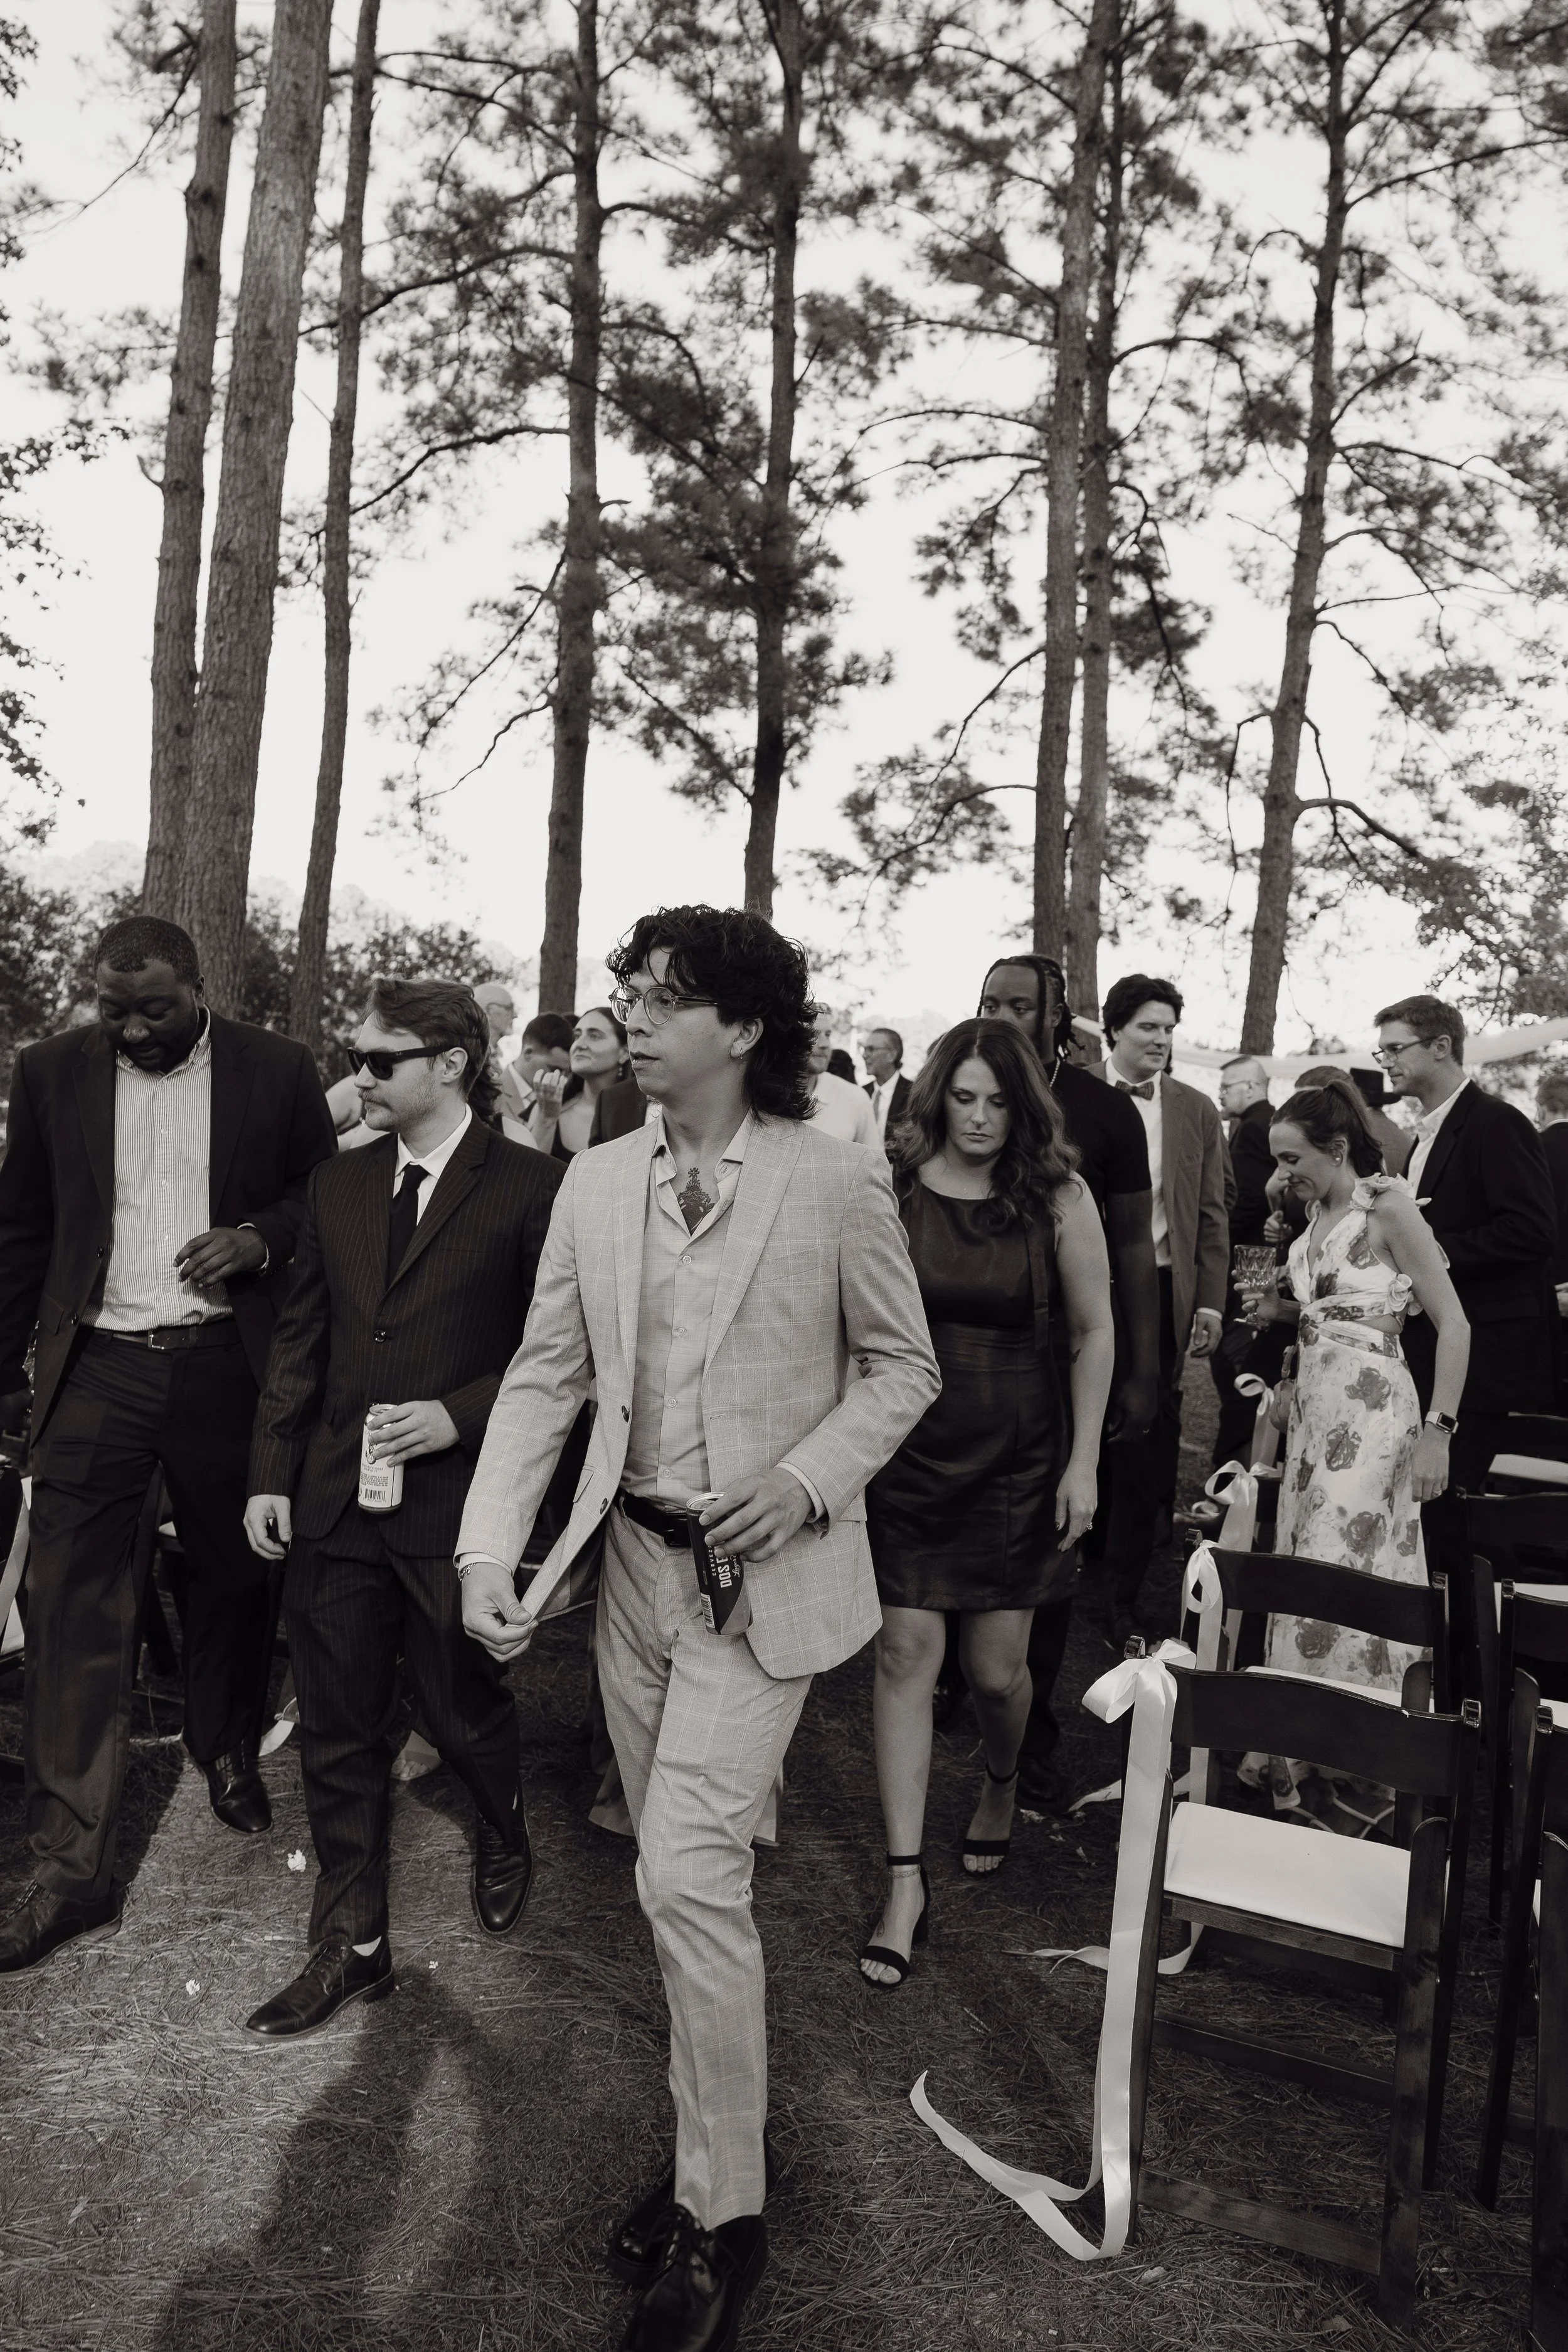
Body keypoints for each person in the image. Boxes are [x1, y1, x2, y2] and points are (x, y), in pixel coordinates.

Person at [455, 905, 938, 2352]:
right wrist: (494, 1544)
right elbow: (546, 1381)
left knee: (681, 1874)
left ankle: (725, 2223)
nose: (630, 1020)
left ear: (739, 1028)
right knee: (687, 1898)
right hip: (635, 1584)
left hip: (768, 1592)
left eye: (662, 1001)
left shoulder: (839, 1181)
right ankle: (705, 2158)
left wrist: (799, 1481)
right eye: (628, 997)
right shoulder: (594, 1184)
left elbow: (901, 1372)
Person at [0, 917, 336, 1976]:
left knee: (236, 1577)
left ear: (198, 985)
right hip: (96, 1368)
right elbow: (22, 1228)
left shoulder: (278, 1069)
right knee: (72, 1606)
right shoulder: (48, 1069)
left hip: (225, 1367)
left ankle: (226, 1746)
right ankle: (68, 1870)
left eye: (155, 1006)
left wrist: (259, 1237)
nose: (132, 1026)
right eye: (114, 1006)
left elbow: (320, 1202)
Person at [241, 980, 564, 2040]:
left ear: (453, 1063)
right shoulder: (336, 1184)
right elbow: (302, 1340)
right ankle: (352, 1943)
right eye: (357, 1055)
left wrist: (457, 1415)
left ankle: (503, 1819)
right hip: (335, 1500)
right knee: (336, 1734)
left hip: (457, 1510)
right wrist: (270, 1472)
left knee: (463, 1707)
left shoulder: (533, 1187)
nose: (360, 1075)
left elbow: (558, 1354)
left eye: (382, 1059)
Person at [859, 1021, 1113, 1987]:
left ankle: (1003, 1779)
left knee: (999, 1672)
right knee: (904, 1654)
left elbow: (1095, 1332)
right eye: (962, 1098)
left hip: (1019, 1453)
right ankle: (903, 1879)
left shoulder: (1058, 1194)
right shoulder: (893, 1182)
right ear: (935, 1097)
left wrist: (1082, 1463)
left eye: (996, 1100)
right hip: (909, 1450)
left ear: (1024, 1104)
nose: (977, 1118)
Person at [1237, 1083, 1469, 1829]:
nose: (1281, 1172)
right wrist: (1280, 1314)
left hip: (1374, 1417)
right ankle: (1300, 1756)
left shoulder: (1387, 1208)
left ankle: (1363, 1760)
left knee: (1349, 1569)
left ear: (1335, 1148)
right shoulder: (1311, 1217)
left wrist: (1439, 1427)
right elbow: (1333, 1308)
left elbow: (1454, 1324)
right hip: (1313, 1416)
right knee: (1306, 1565)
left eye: (1290, 1156)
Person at [974, 953, 1158, 1808]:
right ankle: (960, 1682)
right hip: (960, 1357)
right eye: (990, 1000)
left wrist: (1141, 1370)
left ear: (1060, 1017)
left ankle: (1032, 1725)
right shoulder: (954, 1085)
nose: (1005, 1015)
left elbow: (1129, 1253)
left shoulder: (1103, 1110)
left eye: (1022, 1004)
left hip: (1057, 1362)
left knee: (1044, 1543)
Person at [1373, 996, 1558, 1656]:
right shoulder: (1423, 1134)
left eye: (1394, 1047)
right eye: (1383, 1050)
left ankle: (1483, 1668)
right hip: (1432, 1352)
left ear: (1441, 1046)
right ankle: (1439, 1663)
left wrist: (1433, 1255)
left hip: (1485, 1359)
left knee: (1459, 1524)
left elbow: (1533, 1229)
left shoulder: (1495, 1122)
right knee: (1439, 1522)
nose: (1385, 1060)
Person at [1094, 974, 1231, 1646]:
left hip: (1162, 1294)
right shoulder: (1072, 1093)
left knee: (1146, 1443)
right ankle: (1066, 1562)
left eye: (1169, 1029)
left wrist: (1208, 1301)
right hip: (1083, 1288)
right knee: (1075, 1429)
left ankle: (1119, 1591)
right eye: (1149, 1026)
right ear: (1113, 1028)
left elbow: (1210, 1212)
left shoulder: (1196, 1109)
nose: (1160, 1039)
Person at [1211, 1055, 1276, 1467]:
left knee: (1235, 1363)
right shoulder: (1260, 1122)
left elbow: (1248, 1198)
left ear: (1251, 1088)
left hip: (1252, 1264)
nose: (1221, 1093)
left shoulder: (1254, 1128)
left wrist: (1215, 1240)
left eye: (1228, 1086)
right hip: (1263, 1259)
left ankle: (1236, 1464)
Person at [529, 1004, 631, 1158]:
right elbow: (526, 1174)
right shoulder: (548, 1106)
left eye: (594, 1036)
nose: (579, 1045)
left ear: (624, 1052)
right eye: (577, 1036)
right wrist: (546, 1120)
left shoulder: (643, 1113)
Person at [806, 1010, 879, 1146]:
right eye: (812, 1034)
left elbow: (875, 1164)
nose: (825, 1044)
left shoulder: (855, 1098)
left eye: (827, 1034)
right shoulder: (759, 1094)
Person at [862, 1026, 912, 1147]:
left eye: (871, 1049)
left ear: (892, 1055)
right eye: (864, 1050)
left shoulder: (914, 1094)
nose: (864, 1055)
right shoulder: (860, 1093)